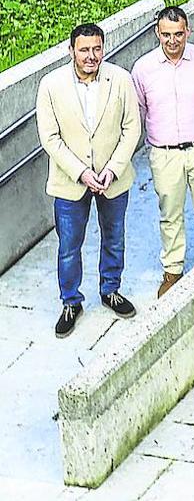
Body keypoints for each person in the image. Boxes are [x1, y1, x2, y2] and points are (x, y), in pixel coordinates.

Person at [38, 24, 141, 337]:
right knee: (69, 245)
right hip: (70, 182)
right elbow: (50, 137)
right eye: (84, 50)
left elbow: (131, 128)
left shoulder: (121, 79)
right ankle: (71, 301)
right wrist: (81, 172)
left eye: (96, 49)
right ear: (71, 51)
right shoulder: (51, 85)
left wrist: (112, 168)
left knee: (115, 237)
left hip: (113, 178)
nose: (91, 56)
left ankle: (111, 289)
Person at [132, 6, 194, 297]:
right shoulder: (143, 68)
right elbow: (140, 109)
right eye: (166, 35)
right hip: (165, 153)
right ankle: (173, 270)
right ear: (157, 34)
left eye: (178, 34)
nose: (173, 40)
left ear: (188, 31)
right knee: (169, 213)